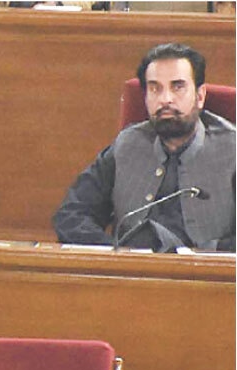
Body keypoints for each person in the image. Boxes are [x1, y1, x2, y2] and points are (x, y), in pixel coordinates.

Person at [53, 43, 235, 252]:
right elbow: (71, 215)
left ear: (200, 96)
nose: (165, 99)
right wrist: (117, 254)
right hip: (129, 277)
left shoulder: (231, 149)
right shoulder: (126, 145)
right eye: (155, 88)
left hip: (208, 280)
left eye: (178, 86)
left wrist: (201, 254)